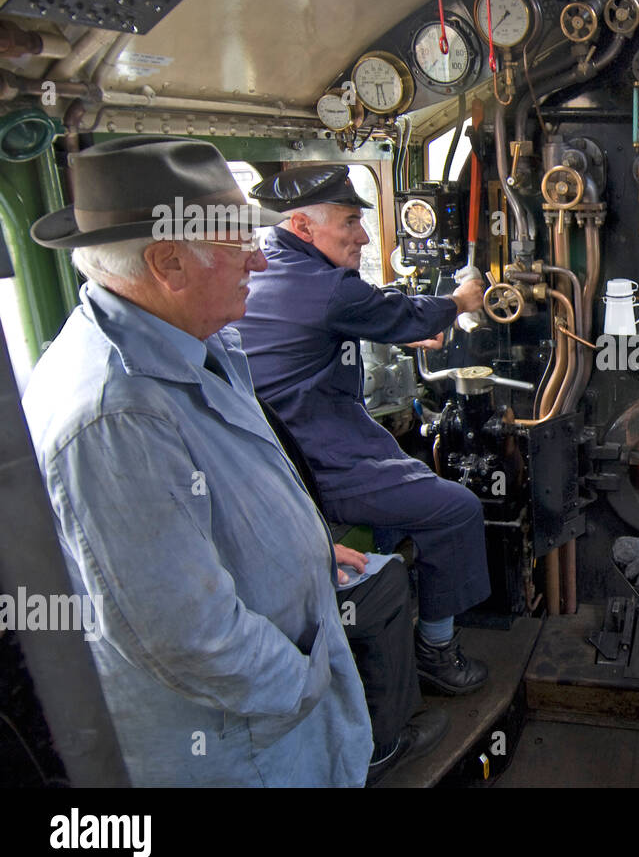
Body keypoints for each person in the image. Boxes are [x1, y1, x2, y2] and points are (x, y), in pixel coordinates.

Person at [22, 136, 386, 786]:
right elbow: (189, 637)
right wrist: (305, 681)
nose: (260, 258)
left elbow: (224, 501)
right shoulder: (115, 417)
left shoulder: (199, 338)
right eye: (236, 240)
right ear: (168, 262)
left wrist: (304, 555)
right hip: (240, 747)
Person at [233, 165, 491, 694]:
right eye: (351, 223)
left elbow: (353, 313)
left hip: (282, 454)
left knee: (412, 475)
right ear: (303, 228)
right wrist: (462, 300)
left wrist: (406, 324)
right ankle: (435, 652)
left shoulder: (272, 268)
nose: (365, 237)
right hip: (313, 462)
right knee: (457, 508)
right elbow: (374, 309)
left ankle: (393, 618)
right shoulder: (326, 288)